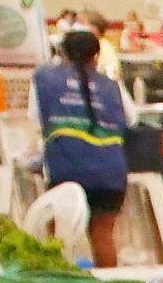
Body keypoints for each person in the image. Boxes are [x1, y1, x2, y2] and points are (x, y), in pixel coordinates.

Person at [33, 29, 131, 267]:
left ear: (62, 54)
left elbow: (36, 118)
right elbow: (131, 119)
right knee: (102, 234)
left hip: (67, 169)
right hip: (111, 174)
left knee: (58, 236)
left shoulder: (45, 80)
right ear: (96, 56)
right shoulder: (111, 85)